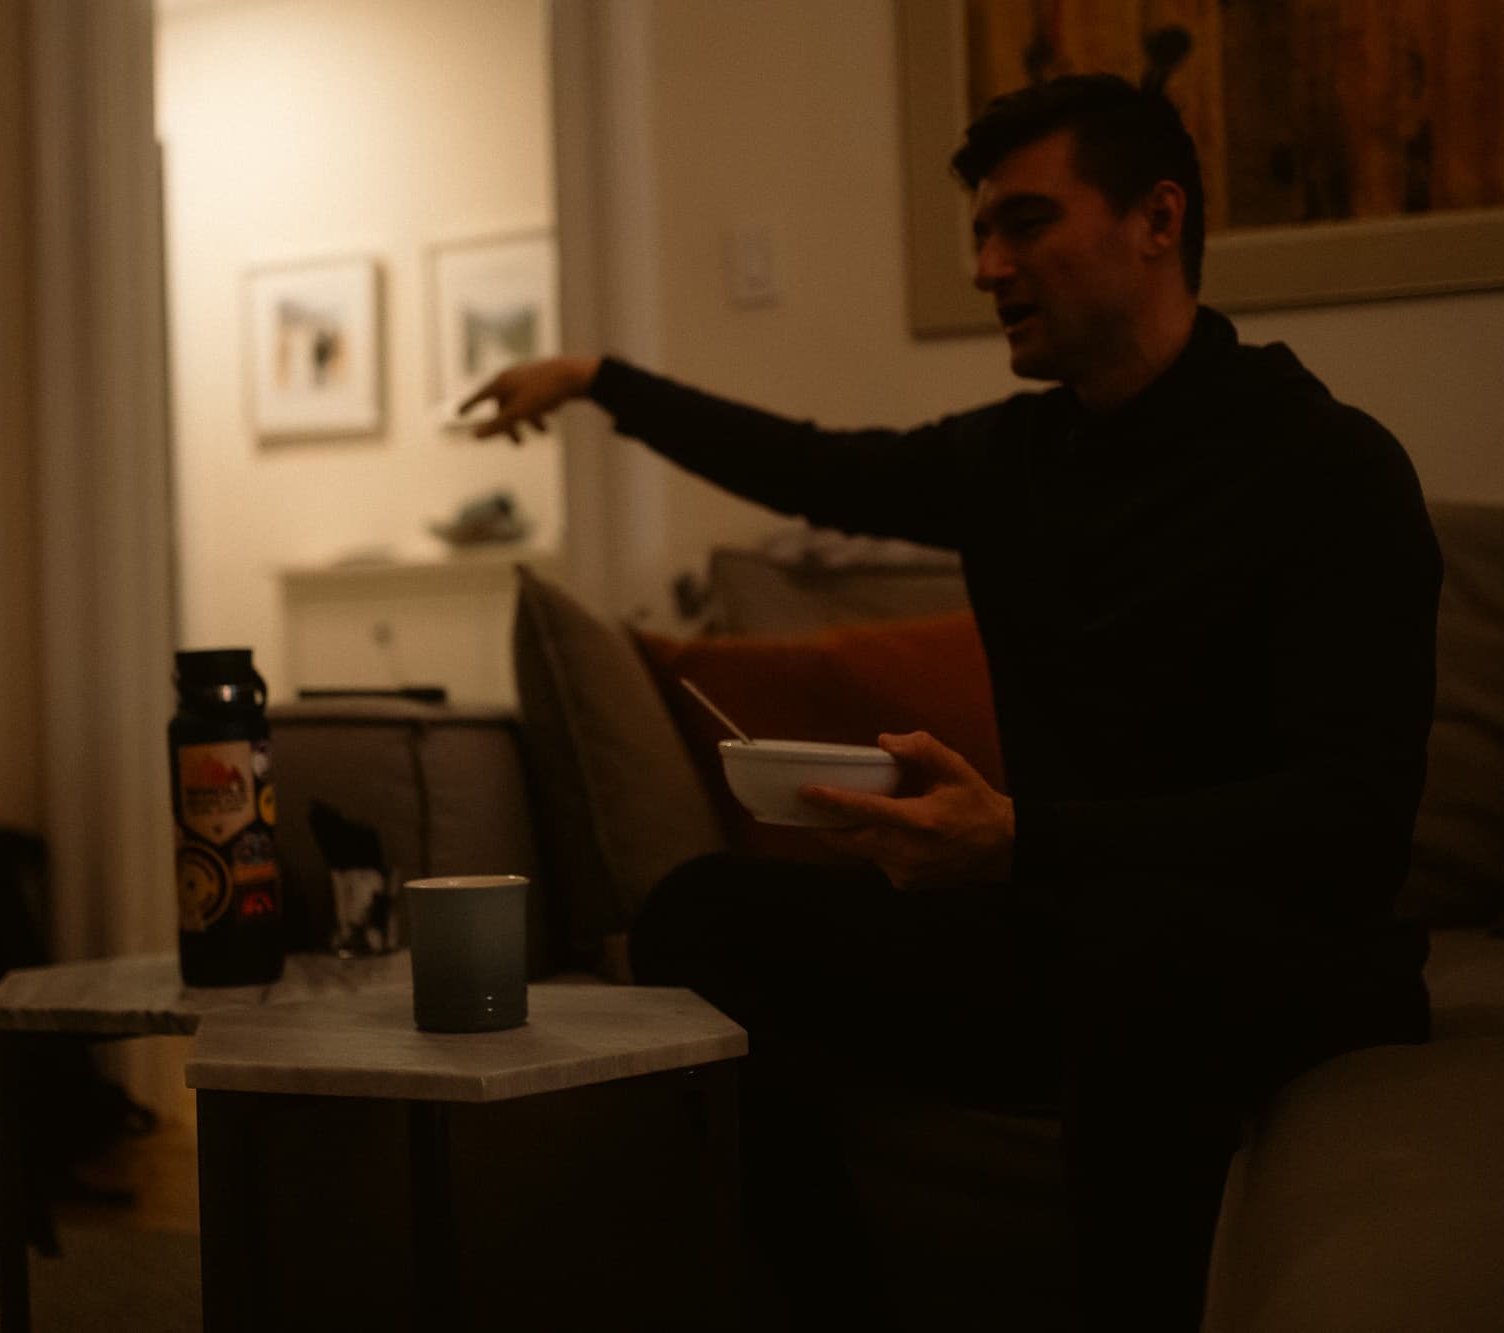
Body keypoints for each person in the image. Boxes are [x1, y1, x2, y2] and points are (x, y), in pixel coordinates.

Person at [460, 73, 1441, 1330]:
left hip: (1276, 956)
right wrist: (601, 379)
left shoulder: (1326, 465)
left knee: (1145, 945)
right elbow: (810, 464)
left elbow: (1351, 820)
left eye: (1023, 223)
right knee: (702, 917)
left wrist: (1025, 836)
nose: (986, 265)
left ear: (1156, 218)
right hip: (1064, 940)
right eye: (978, 234)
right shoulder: (1016, 460)